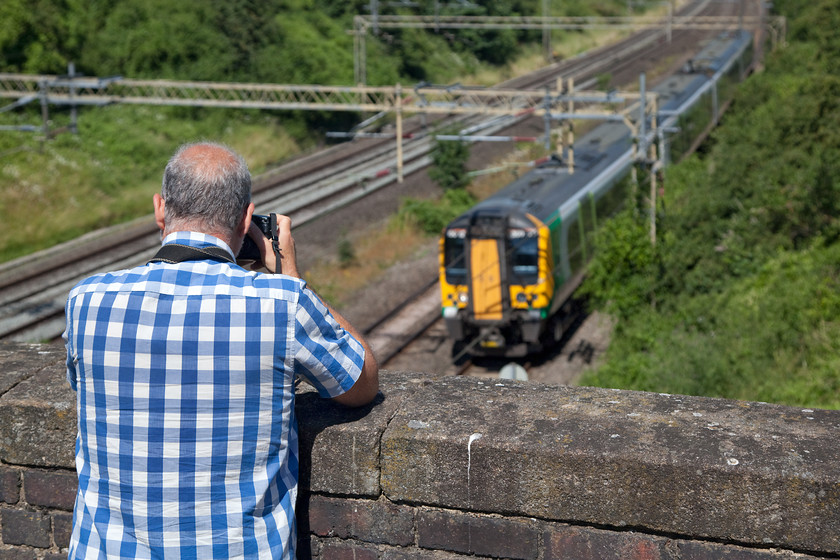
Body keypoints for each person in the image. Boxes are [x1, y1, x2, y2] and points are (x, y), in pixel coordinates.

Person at [63, 141, 379, 559]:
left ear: (160, 209)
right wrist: (290, 273)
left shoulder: (87, 301)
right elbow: (361, 382)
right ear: (247, 217)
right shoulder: (281, 304)